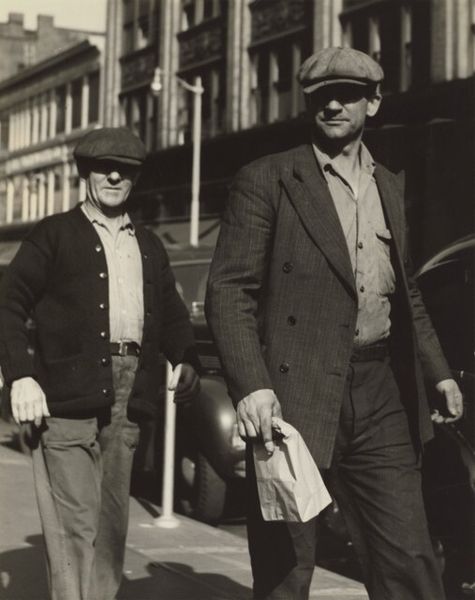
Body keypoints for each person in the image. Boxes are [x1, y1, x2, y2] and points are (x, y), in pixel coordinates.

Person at [205, 47, 464, 600]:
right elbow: (229, 290)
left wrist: (438, 372)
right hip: (293, 398)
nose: (333, 105)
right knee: (286, 568)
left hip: (380, 393)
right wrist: (253, 386)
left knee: (409, 559)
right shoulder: (268, 178)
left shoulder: (388, 183)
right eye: (322, 96)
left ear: (374, 102)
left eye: (348, 94)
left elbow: (406, 291)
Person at [0, 127, 200, 600]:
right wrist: (21, 375)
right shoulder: (53, 234)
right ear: (84, 173)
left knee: (111, 522)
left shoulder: (148, 244)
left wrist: (186, 356)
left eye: (124, 171)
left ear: (135, 179)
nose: (114, 177)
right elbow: (8, 303)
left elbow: (171, 312)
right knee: (76, 521)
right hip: (65, 395)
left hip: (129, 397)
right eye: (103, 168)